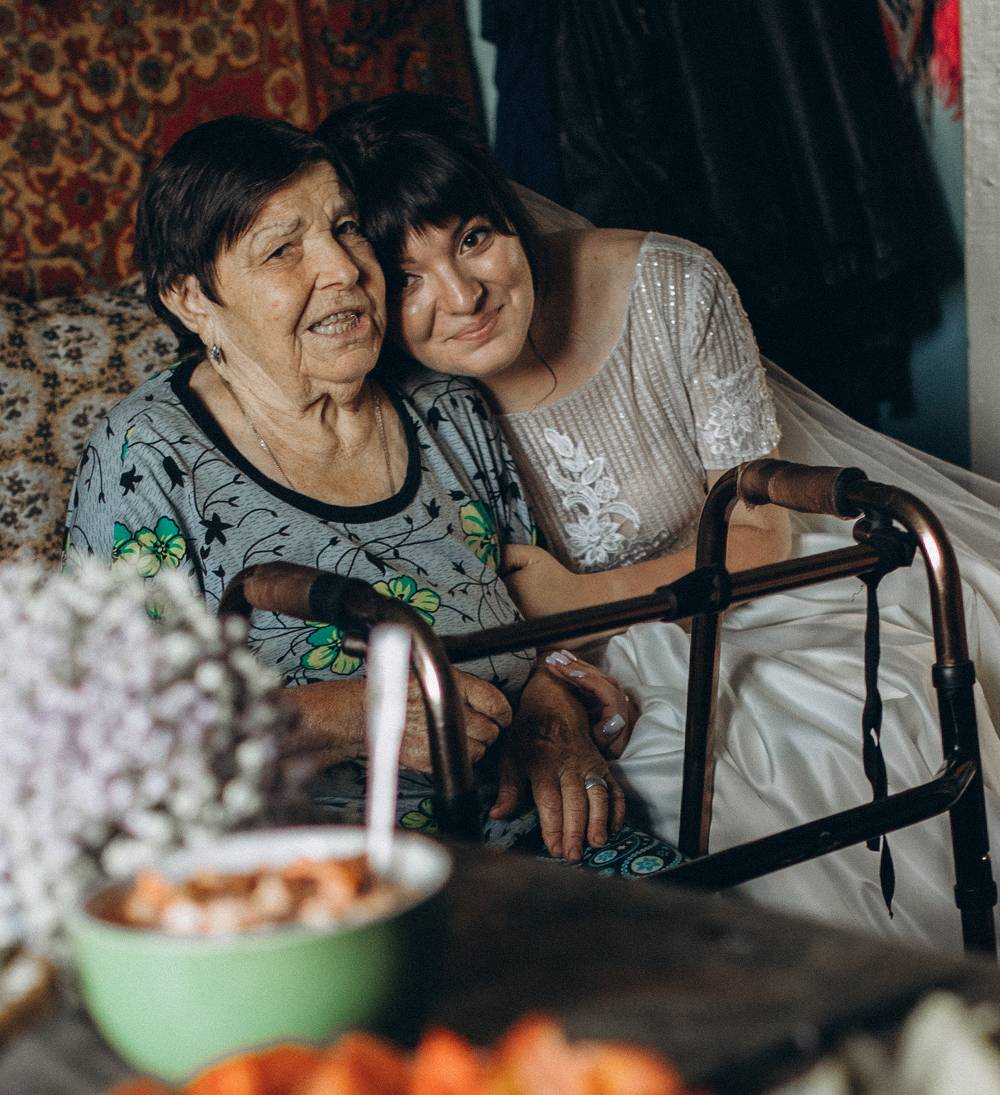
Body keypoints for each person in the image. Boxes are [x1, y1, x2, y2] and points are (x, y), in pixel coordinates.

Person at [320, 93, 1000, 952]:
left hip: (757, 591)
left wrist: (577, 596)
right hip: (579, 665)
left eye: (475, 238)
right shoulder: (393, 400)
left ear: (508, 212)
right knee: (656, 786)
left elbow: (761, 535)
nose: (463, 296)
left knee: (844, 727)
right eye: (407, 277)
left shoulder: (671, 285)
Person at [64, 114, 681, 879]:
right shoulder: (148, 457)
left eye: (346, 228)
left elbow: (530, 614)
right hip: (313, 868)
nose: (345, 268)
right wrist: (349, 716)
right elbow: (104, 738)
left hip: (529, 833)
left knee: (705, 930)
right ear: (192, 299)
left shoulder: (445, 404)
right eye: (283, 249)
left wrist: (551, 712)